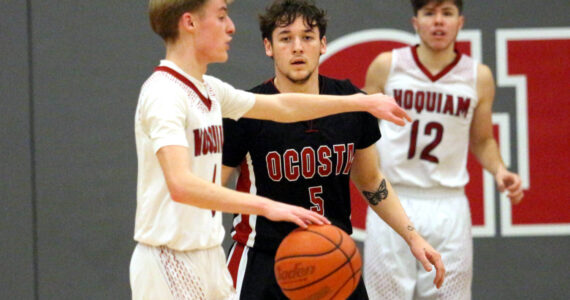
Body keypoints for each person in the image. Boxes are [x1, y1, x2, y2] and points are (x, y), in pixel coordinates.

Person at [130, 0, 414, 299]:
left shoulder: (210, 90)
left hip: (206, 252)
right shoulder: (165, 94)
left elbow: (283, 105)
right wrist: (269, 206)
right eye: (222, 17)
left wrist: (361, 102)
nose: (231, 27)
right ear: (190, 23)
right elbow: (181, 185)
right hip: (170, 256)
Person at [222, 1, 445, 299]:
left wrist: (412, 236)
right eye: (286, 38)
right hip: (263, 259)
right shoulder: (246, 109)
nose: (298, 47)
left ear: (323, 44)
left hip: (332, 257)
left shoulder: (354, 102)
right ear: (268, 47)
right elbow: (210, 190)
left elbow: (370, 180)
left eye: (308, 37)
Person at [362, 0, 525, 299]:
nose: (438, 22)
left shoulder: (479, 77)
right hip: (392, 197)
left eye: (447, 14)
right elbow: (361, 131)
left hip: (448, 204)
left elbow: (482, 140)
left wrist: (500, 170)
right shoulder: (387, 65)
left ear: (460, 22)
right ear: (416, 23)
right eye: (429, 13)